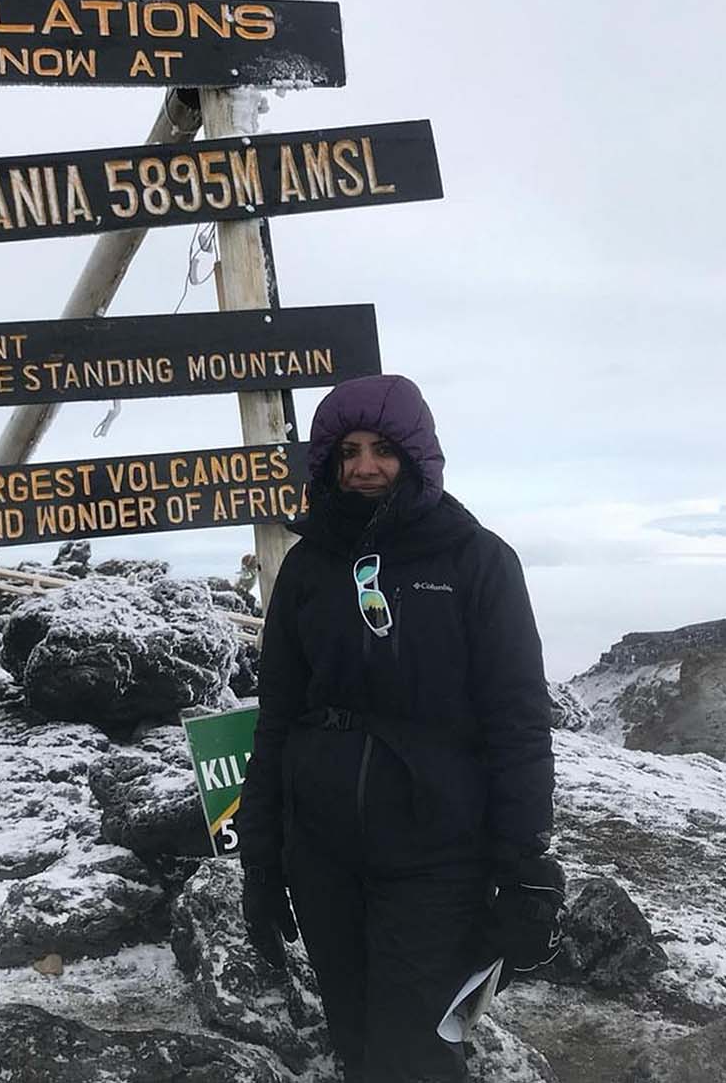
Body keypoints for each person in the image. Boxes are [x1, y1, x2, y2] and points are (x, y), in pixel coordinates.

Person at [235, 374, 563, 1083]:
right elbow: (277, 721)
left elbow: (518, 722)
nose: (364, 467)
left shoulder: (476, 559)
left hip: (437, 856)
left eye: (383, 448)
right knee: (354, 1038)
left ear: (416, 455)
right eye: (347, 451)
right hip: (321, 856)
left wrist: (526, 865)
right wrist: (261, 861)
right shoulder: (308, 566)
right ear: (327, 461)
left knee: (412, 1050)